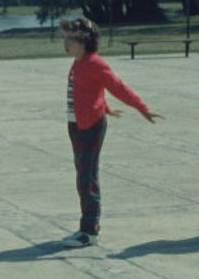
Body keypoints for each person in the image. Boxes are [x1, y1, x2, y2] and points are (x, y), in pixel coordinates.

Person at [57, 16, 162, 248]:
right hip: (76, 125)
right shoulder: (79, 62)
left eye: (71, 40)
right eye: (64, 39)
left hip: (91, 127)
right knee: (82, 176)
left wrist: (142, 108)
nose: (66, 45)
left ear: (85, 41)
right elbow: (91, 92)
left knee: (88, 177)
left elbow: (118, 87)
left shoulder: (95, 63)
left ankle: (90, 230)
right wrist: (104, 106)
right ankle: (85, 226)